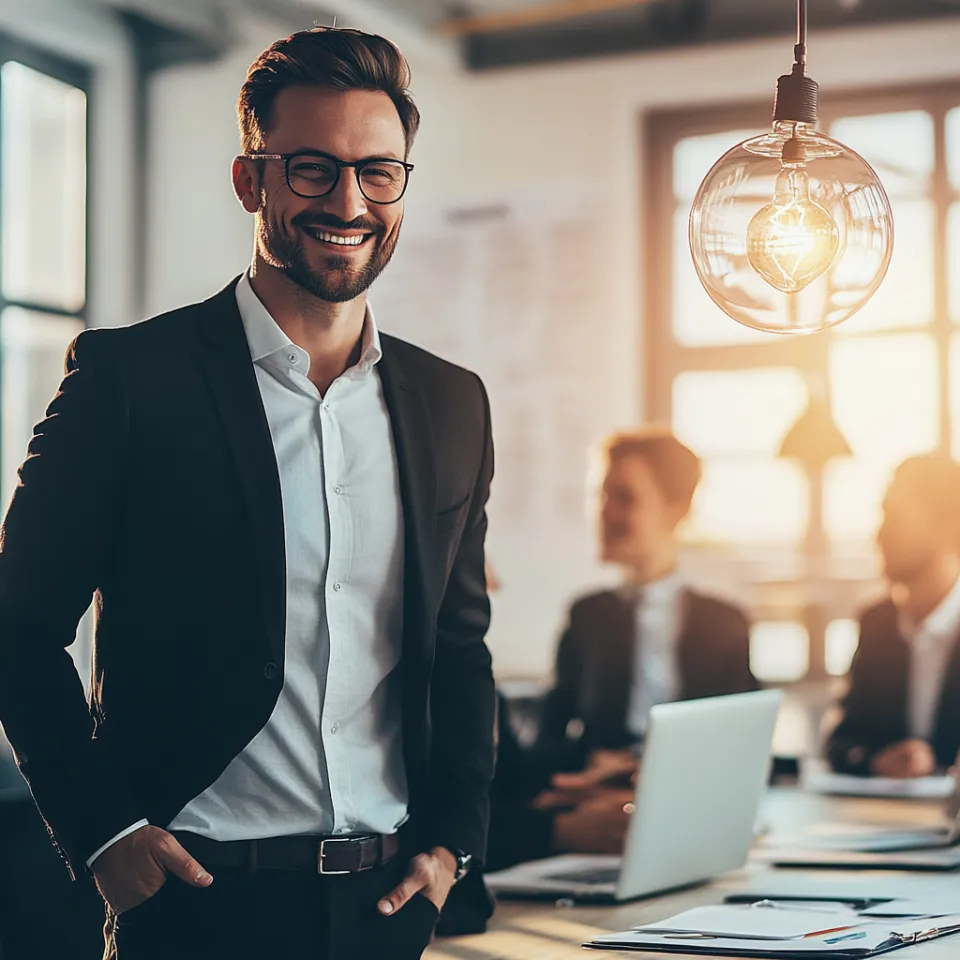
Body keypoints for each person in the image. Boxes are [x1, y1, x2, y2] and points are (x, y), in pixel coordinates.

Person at [0, 27, 495, 960]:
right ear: (250, 182)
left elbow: (459, 646)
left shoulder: (452, 403)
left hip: (388, 909)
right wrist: (103, 834)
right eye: (312, 170)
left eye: (377, 172)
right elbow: (16, 627)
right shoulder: (131, 381)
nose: (348, 201)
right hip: (198, 905)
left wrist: (451, 846)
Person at [533, 428, 757, 777]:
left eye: (625, 498)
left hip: (691, 787)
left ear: (676, 511)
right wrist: (586, 765)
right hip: (600, 793)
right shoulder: (587, 615)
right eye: (602, 496)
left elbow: (744, 741)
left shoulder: (724, 623)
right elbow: (548, 739)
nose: (605, 514)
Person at [827, 453, 960, 778]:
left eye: (897, 520)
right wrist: (874, 761)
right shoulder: (878, 624)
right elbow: (841, 739)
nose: (880, 535)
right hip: (886, 819)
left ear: (948, 528)